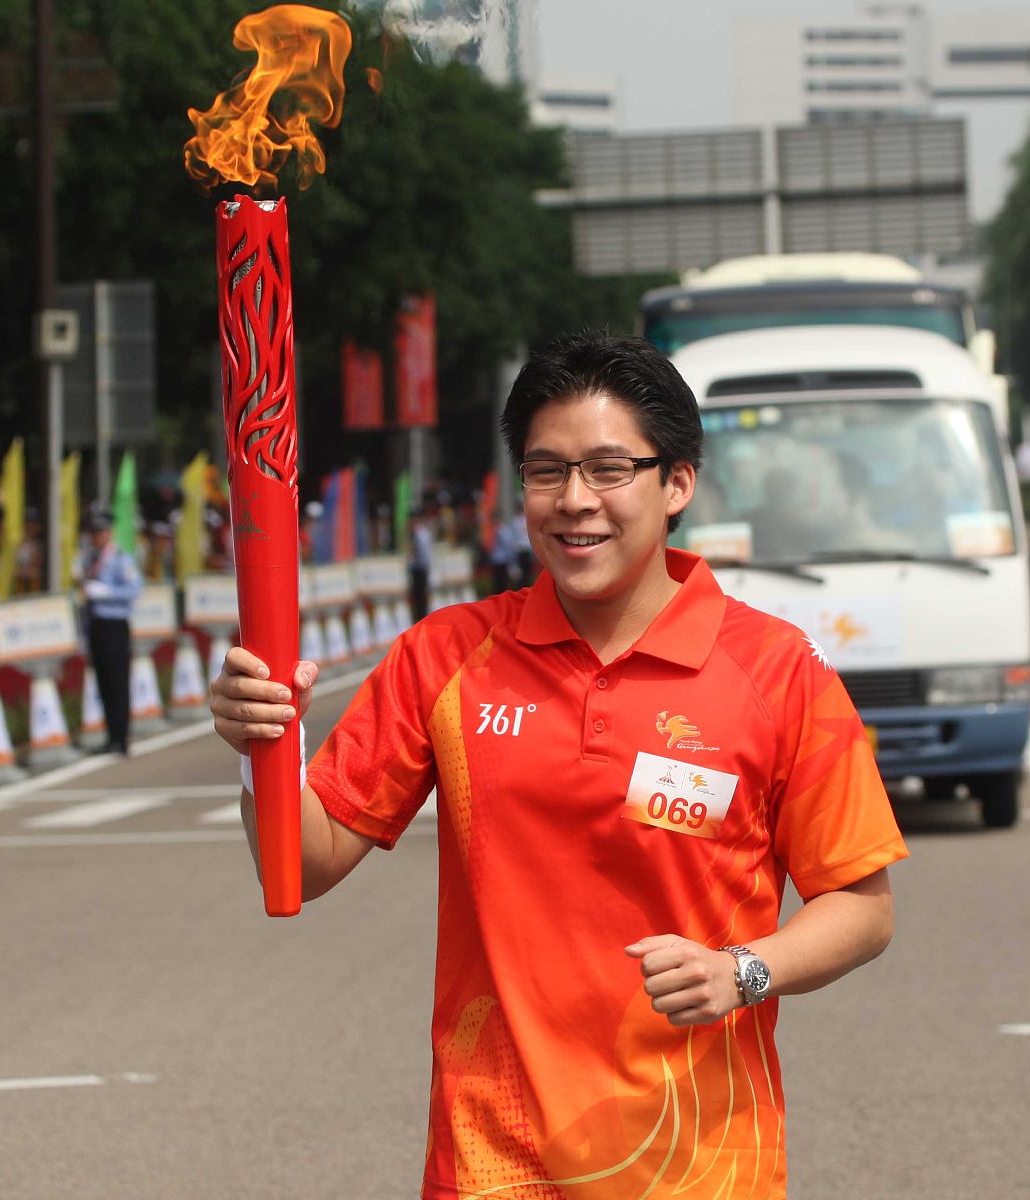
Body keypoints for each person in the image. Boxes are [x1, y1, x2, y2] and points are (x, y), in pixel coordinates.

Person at [210, 332, 908, 1199]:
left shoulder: (776, 672)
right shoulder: (448, 656)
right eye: (546, 472)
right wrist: (263, 750)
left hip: (699, 1167)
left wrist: (743, 972)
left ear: (676, 483)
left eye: (609, 470)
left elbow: (861, 907)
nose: (574, 501)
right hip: (492, 1162)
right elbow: (302, 869)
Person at [82, 506, 142, 755]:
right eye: (93, 532)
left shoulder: (120, 558)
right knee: (102, 681)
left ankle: (121, 736)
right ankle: (110, 734)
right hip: (96, 624)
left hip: (115, 623)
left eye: (101, 531)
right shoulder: (90, 558)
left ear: (109, 532)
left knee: (118, 681)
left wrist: (108, 593)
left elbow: (134, 589)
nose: (97, 536)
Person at [407, 507, 433, 622]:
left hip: (419, 568)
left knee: (419, 596)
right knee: (421, 595)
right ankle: (422, 617)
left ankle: (421, 618)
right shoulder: (425, 532)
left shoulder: (418, 533)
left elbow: (417, 551)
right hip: (423, 567)